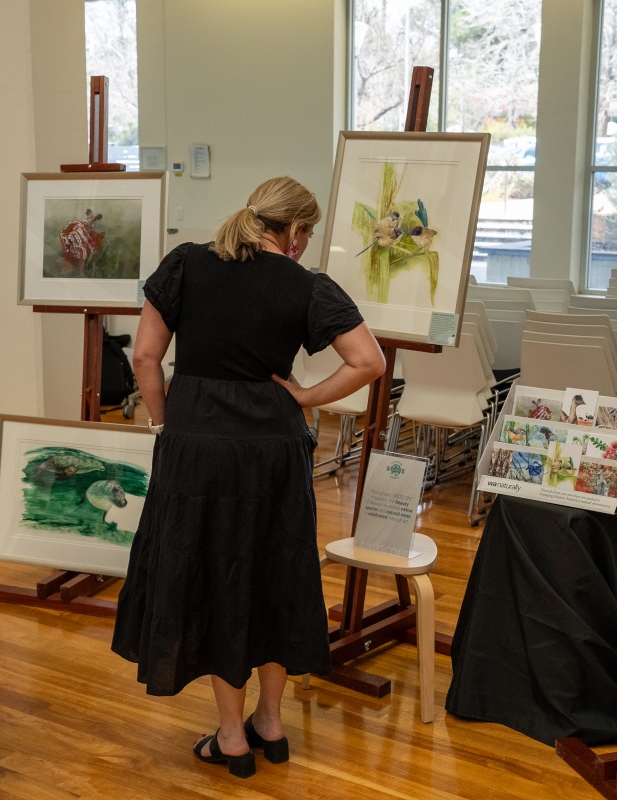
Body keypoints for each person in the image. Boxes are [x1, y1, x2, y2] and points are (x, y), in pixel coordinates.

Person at [111, 176, 385, 778]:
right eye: (307, 233)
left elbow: (145, 357)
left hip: (196, 448)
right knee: (273, 573)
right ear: (293, 231)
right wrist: (308, 396)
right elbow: (370, 362)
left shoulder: (184, 265)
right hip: (272, 449)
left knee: (212, 577)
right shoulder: (307, 286)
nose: (306, 245)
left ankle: (232, 736)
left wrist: (167, 424)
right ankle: (271, 722)